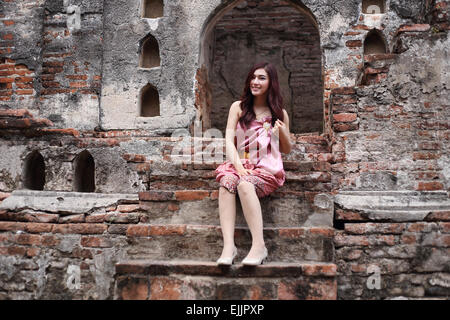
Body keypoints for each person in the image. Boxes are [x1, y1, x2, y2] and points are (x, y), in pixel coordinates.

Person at [215, 62, 292, 266]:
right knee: (227, 183)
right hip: (241, 164)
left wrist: (282, 132)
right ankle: (229, 247)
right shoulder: (238, 108)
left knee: (244, 184)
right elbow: (228, 141)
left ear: (271, 83)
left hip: (266, 169)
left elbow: (286, 149)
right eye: (253, 77)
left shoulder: (279, 113)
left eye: (261, 78)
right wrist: (239, 167)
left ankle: (259, 246)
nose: (255, 82)